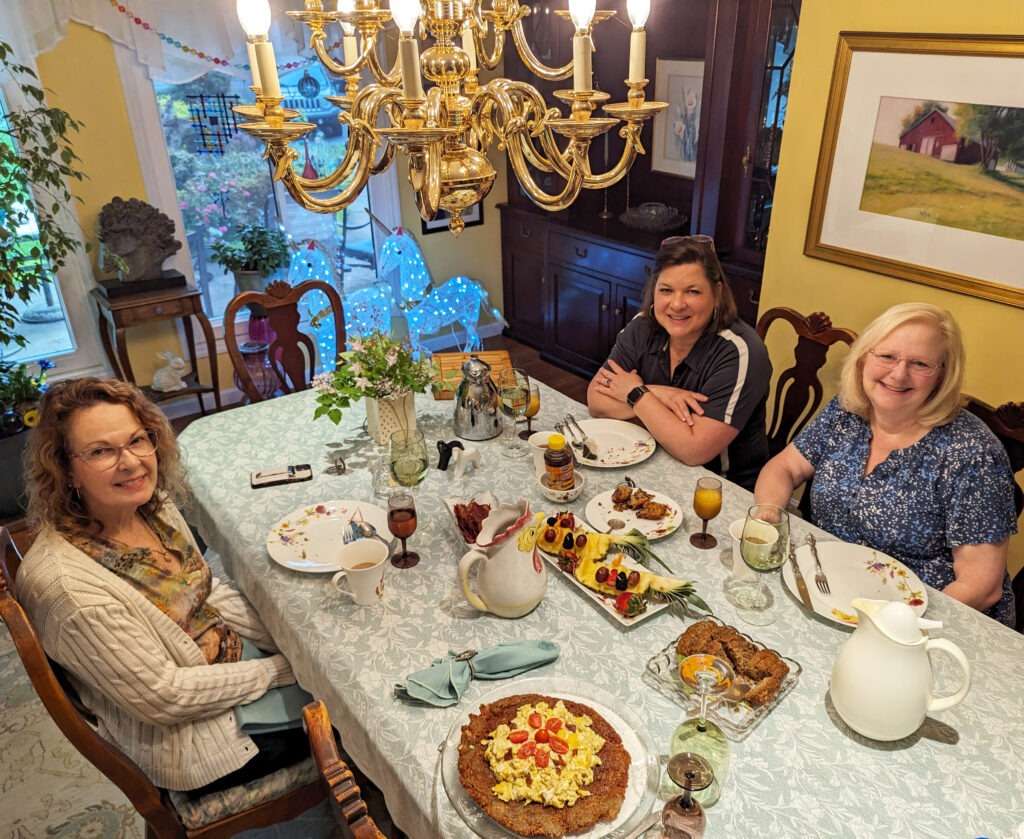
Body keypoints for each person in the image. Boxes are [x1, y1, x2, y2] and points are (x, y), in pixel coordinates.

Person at [16, 378, 309, 792]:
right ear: (65, 469)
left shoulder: (151, 507)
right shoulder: (70, 590)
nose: (131, 462)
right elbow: (165, 697)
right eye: (101, 451)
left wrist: (289, 643)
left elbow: (204, 595)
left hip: (229, 667)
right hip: (202, 740)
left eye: (137, 440)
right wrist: (281, 669)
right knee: (355, 720)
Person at [754, 303, 1017, 626]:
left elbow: (982, 586)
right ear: (865, 358)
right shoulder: (847, 411)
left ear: (943, 375)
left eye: (920, 363)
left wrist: (897, 626)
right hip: (833, 590)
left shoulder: (972, 452)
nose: (898, 374)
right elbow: (784, 468)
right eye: (887, 356)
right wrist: (769, 514)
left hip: (928, 622)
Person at [587, 235, 771, 490]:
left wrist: (635, 393)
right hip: (651, 463)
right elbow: (596, 401)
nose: (676, 304)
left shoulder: (741, 352)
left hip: (720, 489)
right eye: (666, 290)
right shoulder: (642, 326)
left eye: (693, 291)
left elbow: (694, 450)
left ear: (716, 293)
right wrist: (659, 394)